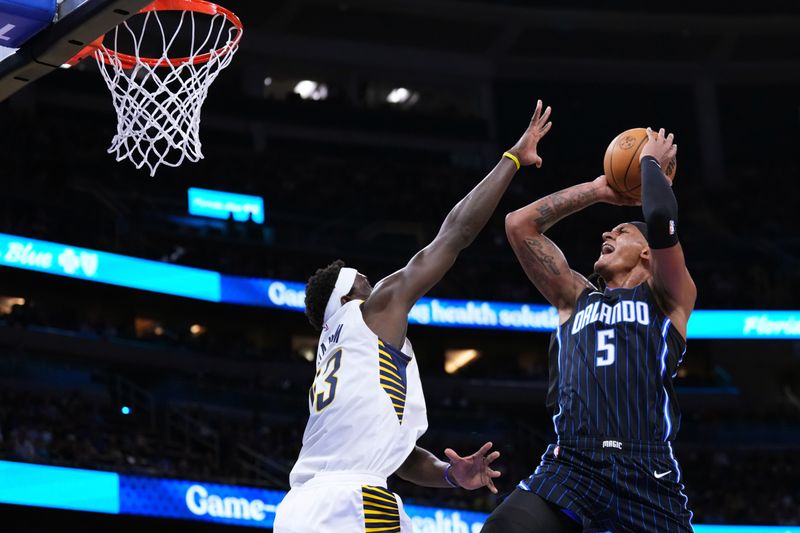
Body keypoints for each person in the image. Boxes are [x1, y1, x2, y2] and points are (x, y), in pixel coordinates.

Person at [273, 100, 554, 533]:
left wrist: (448, 473)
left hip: (300, 509)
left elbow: (400, 458)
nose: (380, 284)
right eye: (367, 281)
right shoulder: (371, 311)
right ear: (350, 295)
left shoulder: (340, 356)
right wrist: (512, 159)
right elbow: (454, 234)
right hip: (354, 500)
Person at [482, 128, 696, 533]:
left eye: (621, 231)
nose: (606, 233)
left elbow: (662, 218)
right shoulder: (574, 297)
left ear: (648, 251)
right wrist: (599, 190)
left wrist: (648, 163)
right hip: (572, 464)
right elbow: (519, 225)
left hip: (646, 470)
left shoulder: (669, 295)